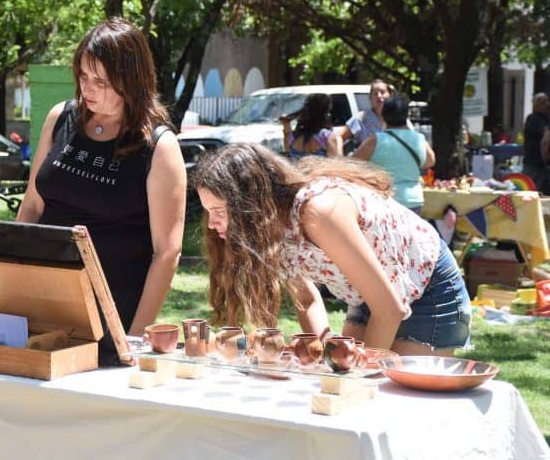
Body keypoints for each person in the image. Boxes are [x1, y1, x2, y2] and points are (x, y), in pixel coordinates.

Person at [191, 143, 470, 356]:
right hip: (371, 296)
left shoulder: (319, 211)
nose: (213, 224)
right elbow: (307, 299)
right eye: (208, 212)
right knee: (343, 375)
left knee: (387, 395)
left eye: (219, 211)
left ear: (250, 203)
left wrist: (358, 378)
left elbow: (389, 309)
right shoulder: (270, 227)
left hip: (428, 288)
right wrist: (321, 353)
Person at [16, 18, 186, 361]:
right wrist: (10, 280)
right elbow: (33, 205)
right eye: (83, 76)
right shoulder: (60, 117)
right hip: (45, 301)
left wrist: (135, 337)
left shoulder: (158, 146)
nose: (87, 89)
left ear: (131, 80)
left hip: (112, 313)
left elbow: (167, 252)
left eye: (101, 81)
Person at [353, 96, 435, 215]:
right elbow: (430, 161)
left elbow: (352, 163)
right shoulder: (419, 139)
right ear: (406, 116)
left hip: (385, 200)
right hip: (414, 200)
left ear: (383, 116)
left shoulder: (375, 140)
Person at [279, 93, 343, 160]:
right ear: (326, 113)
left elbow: (287, 151)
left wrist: (286, 123)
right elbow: (335, 165)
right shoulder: (327, 136)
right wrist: (339, 141)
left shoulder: (292, 137)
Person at [336, 78, 393, 147]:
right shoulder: (361, 119)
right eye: (375, 94)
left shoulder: (398, 118)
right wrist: (339, 156)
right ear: (370, 98)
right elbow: (339, 137)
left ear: (390, 95)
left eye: (382, 92)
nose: (379, 96)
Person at [522, 92, 550, 194]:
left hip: (544, 166)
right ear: (535, 106)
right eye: (543, 102)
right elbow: (546, 137)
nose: (547, 104)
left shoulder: (547, 119)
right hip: (534, 165)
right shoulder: (533, 118)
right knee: (531, 194)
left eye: (548, 101)